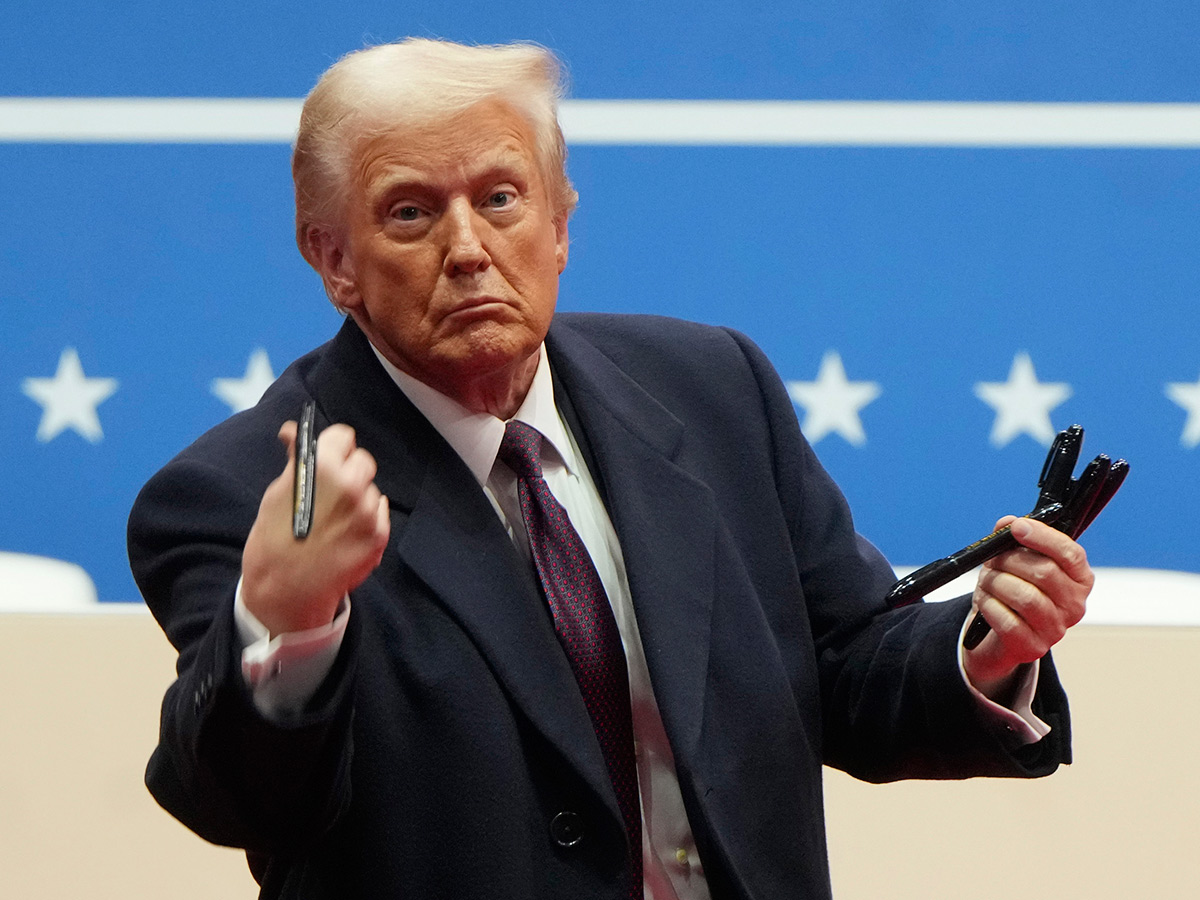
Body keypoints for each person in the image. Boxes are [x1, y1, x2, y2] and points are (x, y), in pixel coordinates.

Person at [128, 38, 1092, 900]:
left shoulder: (713, 390)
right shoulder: (237, 492)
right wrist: (285, 620)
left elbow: (842, 660)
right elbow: (240, 806)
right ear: (333, 260)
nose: (469, 249)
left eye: (500, 198)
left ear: (559, 224)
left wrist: (983, 651)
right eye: (412, 213)